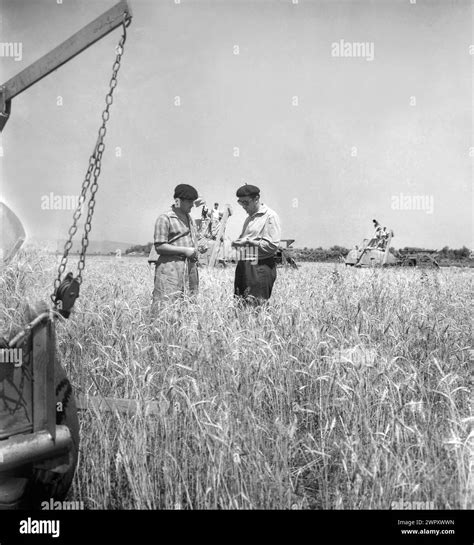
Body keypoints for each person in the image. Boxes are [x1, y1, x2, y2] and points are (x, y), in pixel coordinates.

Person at [151, 184, 200, 308]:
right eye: (189, 202)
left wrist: (197, 249)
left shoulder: (190, 219)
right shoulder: (165, 218)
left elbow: (192, 240)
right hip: (171, 269)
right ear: (178, 201)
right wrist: (185, 251)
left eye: (193, 202)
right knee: (166, 305)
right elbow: (160, 246)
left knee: (188, 305)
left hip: (189, 268)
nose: (192, 205)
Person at [232, 184, 281, 304]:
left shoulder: (270, 216)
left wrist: (248, 242)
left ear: (256, 199)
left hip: (260, 266)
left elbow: (272, 246)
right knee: (241, 305)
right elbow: (245, 239)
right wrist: (238, 243)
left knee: (256, 306)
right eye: (240, 202)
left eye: (246, 202)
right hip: (245, 264)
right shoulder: (249, 218)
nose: (243, 206)